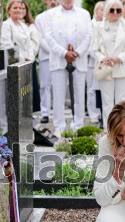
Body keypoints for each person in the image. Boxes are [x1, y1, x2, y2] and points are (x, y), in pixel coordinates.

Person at [44, 0, 92, 136]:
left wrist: (77, 52)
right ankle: (59, 126)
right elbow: (48, 36)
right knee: (58, 95)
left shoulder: (84, 14)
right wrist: (64, 53)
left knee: (79, 94)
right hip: (59, 59)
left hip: (79, 58)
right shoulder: (51, 14)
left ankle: (78, 125)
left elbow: (89, 35)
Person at [90, 0, 125, 130]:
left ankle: (122, 131)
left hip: (123, 68)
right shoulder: (98, 26)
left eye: (118, 10)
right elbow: (94, 49)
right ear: (106, 11)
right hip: (106, 69)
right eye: (112, 10)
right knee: (107, 102)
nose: (115, 13)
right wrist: (103, 58)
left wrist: (118, 58)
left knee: (123, 103)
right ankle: (108, 132)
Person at [1, 0, 40, 117]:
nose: (18, 10)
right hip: (15, 66)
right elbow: (7, 46)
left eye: (20, 7)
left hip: (28, 64)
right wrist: (23, 58)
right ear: (8, 10)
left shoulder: (23, 25)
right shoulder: (6, 25)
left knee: (27, 96)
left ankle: (26, 124)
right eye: (15, 8)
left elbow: (29, 45)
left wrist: (30, 58)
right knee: (16, 98)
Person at [35, 0, 57, 123]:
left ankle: (58, 112)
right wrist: (53, 51)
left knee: (59, 85)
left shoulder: (61, 15)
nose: (53, 1)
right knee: (45, 85)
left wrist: (59, 52)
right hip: (46, 55)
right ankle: (45, 113)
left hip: (60, 56)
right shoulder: (40, 18)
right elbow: (40, 38)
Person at [87, 1, 105, 124]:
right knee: (91, 88)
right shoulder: (90, 25)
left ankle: (101, 113)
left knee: (102, 88)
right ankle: (93, 113)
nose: (102, 12)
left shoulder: (106, 25)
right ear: (96, 11)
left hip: (105, 62)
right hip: (92, 61)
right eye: (100, 10)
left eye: (104, 10)